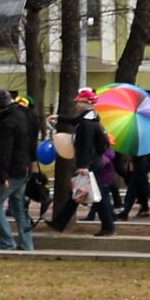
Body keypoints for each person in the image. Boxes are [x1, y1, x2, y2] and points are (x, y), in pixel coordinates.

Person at [47, 89, 116, 236]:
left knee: (92, 195)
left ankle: (108, 227)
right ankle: (59, 223)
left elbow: (86, 146)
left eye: (78, 102)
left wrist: (83, 166)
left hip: (89, 164)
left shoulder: (86, 125)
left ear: (84, 105)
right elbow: (74, 120)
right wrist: (59, 118)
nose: (76, 105)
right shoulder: (90, 119)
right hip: (94, 163)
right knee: (82, 194)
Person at [0, 89, 36, 251]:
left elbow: (5, 151)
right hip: (24, 166)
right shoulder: (21, 115)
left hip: (11, 170)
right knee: (18, 207)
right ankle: (26, 243)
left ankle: (7, 242)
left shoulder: (6, 123)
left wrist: (3, 175)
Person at [119, 150, 150, 221]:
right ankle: (125, 212)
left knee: (146, 189)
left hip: (140, 164)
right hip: (141, 163)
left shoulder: (138, 142)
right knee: (132, 189)